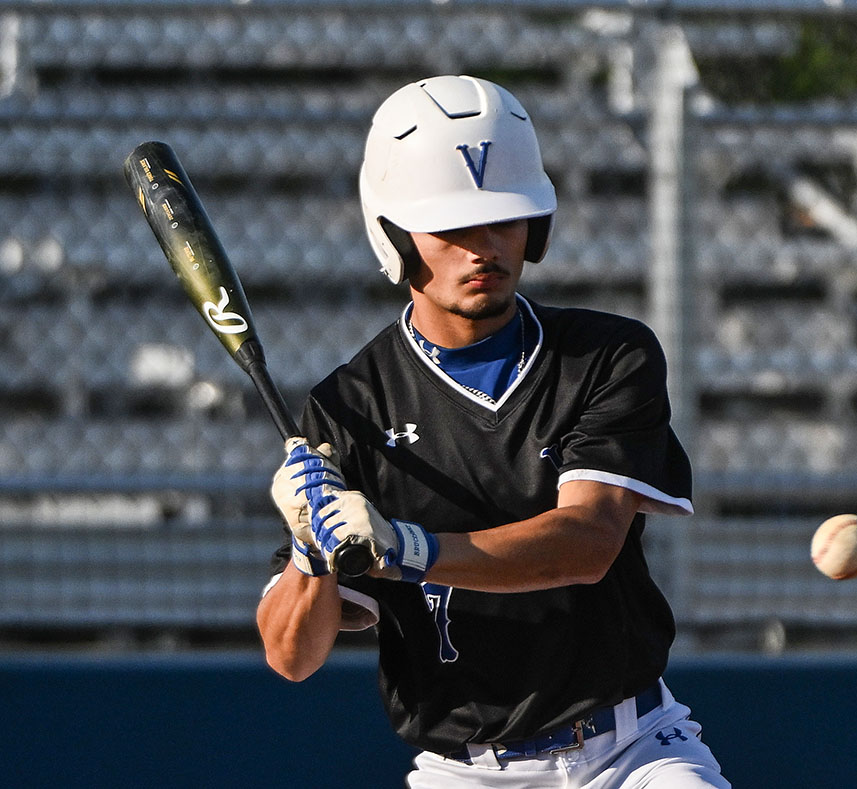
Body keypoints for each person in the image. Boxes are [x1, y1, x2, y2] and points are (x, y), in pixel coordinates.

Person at [256, 74, 730, 789]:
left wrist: (406, 548)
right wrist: (309, 549)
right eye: (452, 228)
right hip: (464, 771)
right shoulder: (348, 407)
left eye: (504, 220)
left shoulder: (605, 355)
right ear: (393, 235)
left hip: (632, 750)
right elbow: (292, 657)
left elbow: (588, 543)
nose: (483, 248)